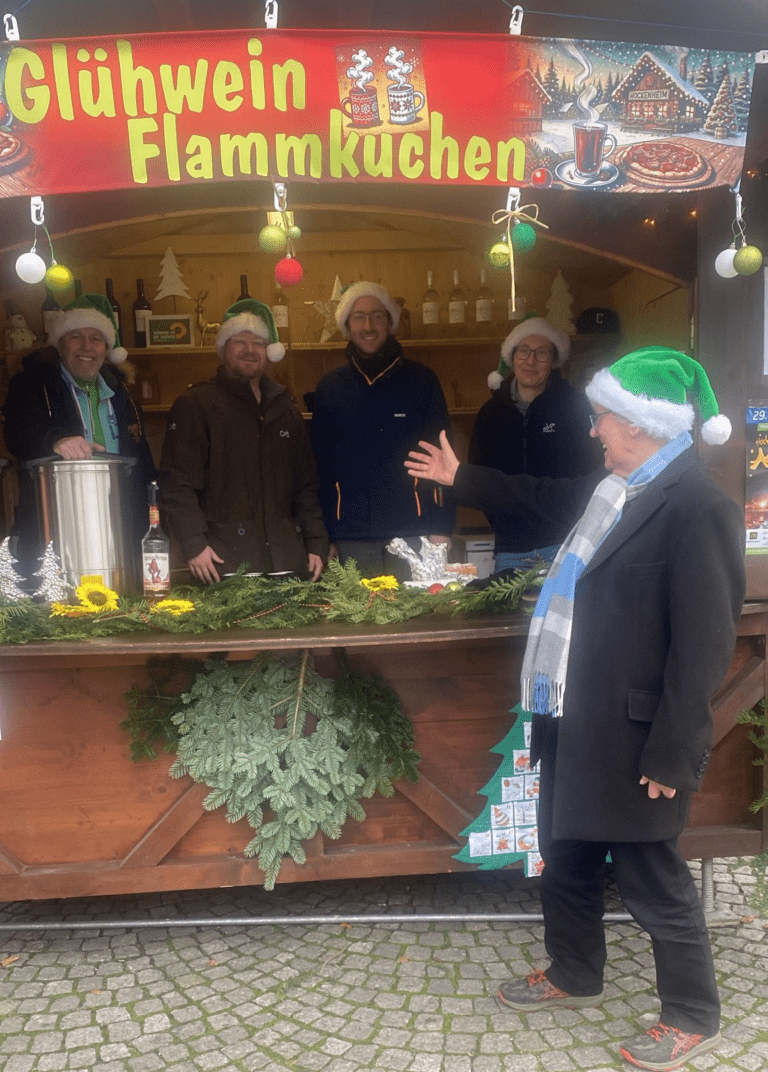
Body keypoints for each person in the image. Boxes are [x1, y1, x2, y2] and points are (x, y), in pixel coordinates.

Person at [405, 347, 745, 1072]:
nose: (593, 431)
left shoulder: (698, 505)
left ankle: (692, 1013)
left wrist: (672, 752)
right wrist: (460, 476)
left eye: (602, 419)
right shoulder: (613, 486)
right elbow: (537, 493)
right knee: (565, 853)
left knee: (654, 875)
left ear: (641, 424)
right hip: (568, 709)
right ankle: (573, 971)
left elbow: (704, 647)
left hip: (635, 731)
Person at [159, 298, 328, 584]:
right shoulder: (196, 405)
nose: (250, 350)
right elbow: (177, 483)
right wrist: (194, 544)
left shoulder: (286, 410)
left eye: (259, 343)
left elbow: (306, 487)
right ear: (224, 348)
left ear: (268, 351)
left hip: (285, 560)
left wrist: (316, 543)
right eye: (240, 341)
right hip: (221, 563)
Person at [2, 293, 156, 580]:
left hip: (121, 519)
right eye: (76, 337)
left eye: (96, 339)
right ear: (60, 343)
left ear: (107, 348)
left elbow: (142, 457)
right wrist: (55, 440)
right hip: (58, 519)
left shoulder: (122, 392)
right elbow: (17, 433)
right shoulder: (33, 383)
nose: (87, 347)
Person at [311, 281, 454, 580]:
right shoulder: (329, 388)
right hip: (350, 537)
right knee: (357, 622)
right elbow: (320, 469)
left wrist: (441, 528)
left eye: (377, 316)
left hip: (414, 533)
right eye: (359, 317)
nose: (368, 326)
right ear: (347, 325)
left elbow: (443, 459)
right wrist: (323, 535)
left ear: (390, 322)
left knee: (417, 623)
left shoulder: (422, 381)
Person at [470, 316, 602, 570]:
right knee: (508, 611)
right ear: (512, 357)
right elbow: (478, 476)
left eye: (542, 353)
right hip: (510, 547)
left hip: (562, 545)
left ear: (554, 361)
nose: (531, 361)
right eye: (524, 351)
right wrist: (502, 520)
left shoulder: (574, 408)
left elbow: (592, 471)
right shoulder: (491, 413)